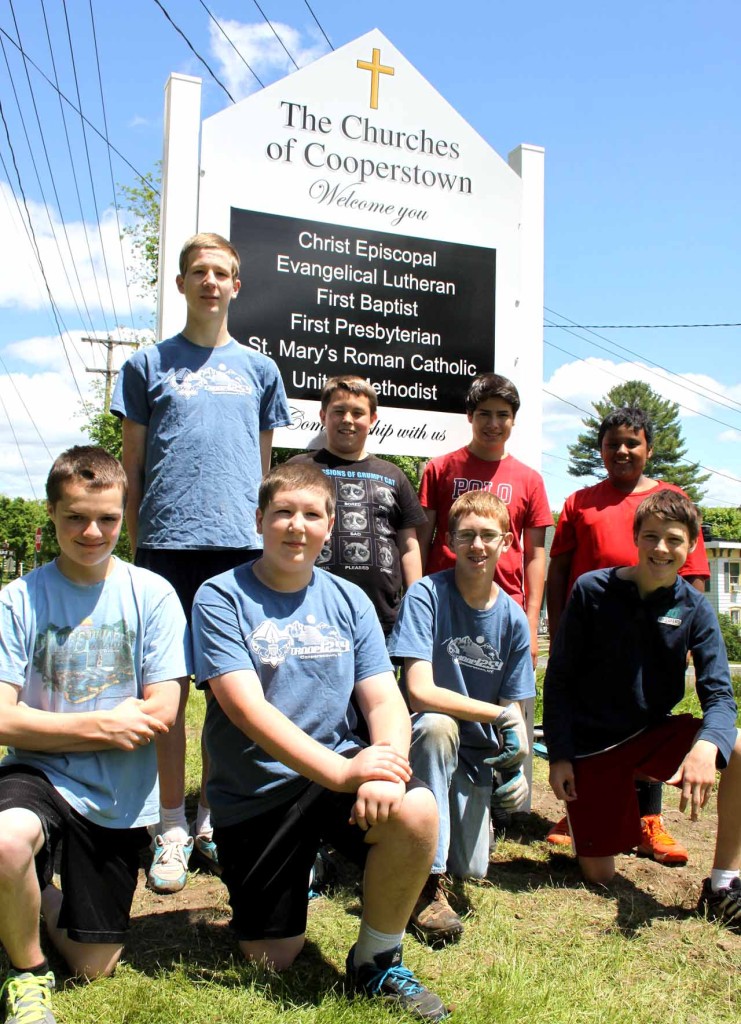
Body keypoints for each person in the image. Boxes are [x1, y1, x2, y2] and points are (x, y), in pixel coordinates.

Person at [191, 463, 448, 1021]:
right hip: (256, 792)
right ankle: (299, 872)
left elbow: (384, 700)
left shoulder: (350, 600)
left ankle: (377, 958)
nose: (296, 526)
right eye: (283, 512)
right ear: (259, 519)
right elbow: (246, 709)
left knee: (418, 809)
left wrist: (386, 767)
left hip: (339, 772)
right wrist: (343, 773)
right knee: (271, 959)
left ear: (329, 525)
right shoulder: (219, 597)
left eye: (311, 514)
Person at [111, 231, 291, 893]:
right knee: (165, 694)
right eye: (199, 272)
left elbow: (266, 470)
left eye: (222, 272)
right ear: (182, 284)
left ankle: (215, 820)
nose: (211, 281)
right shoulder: (145, 366)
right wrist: (133, 548)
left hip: (239, 552)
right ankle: (169, 826)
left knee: (233, 694)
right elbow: (130, 467)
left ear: (235, 286)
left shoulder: (260, 371)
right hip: (164, 548)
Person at [0, 447, 189, 1024]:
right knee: (6, 840)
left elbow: (161, 710)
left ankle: (26, 895)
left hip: (118, 802)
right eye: (75, 517)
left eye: (107, 519)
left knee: (93, 962)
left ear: (123, 517)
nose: (91, 531)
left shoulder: (153, 595)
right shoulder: (17, 599)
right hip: (34, 775)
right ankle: (26, 973)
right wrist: (100, 725)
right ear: (51, 516)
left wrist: (49, 726)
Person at [543, 489, 741, 930]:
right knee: (599, 875)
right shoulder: (592, 590)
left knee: (740, 745)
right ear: (635, 537)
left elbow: (721, 696)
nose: (661, 549)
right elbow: (558, 680)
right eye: (651, 536)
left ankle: (724, 883)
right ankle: (596, 817)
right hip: (593, 748)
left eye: (673, 539)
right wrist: (560, 755)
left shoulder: (695, 609)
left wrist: (708, 746)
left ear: (690, 547)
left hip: (650, 737)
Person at [545, 407, 710, 862]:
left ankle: (649, 820)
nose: (622, 450)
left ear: (648, 450)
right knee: (594, 716)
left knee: (650, 710)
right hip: (594, 632)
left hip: (659, 632)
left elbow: (693, 576)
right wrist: (558, 629)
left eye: (632, 443)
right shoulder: (581, 502)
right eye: (612, 443)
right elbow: (559, 570)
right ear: (600, 450)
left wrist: (683, 635)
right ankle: (579, 809)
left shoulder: (671, 498)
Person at [388, 491, 533, 945]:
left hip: (476, 757)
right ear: (449, 540)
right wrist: (499, 715)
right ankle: (425, 887)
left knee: (471, 866)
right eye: (466, 535)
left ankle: (445, 843)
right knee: (437, 724)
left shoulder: (513, 619)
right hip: (421, 744)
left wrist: (519, 765)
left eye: (488, 536)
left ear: (507, 542)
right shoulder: (427, 596)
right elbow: (419, 692)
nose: (478, 545)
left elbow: (516, 707)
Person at [417, 373, 551, 669]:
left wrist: (530, 620)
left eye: (502, 415)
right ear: (469, 416)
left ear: (514, 420)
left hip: (504, 606)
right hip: (444, 603)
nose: (493, 424)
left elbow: (535, 555)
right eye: (484, 414)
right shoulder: (439, 469)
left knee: (502, 699)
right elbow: (420, 541)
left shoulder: (530, 480)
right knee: (437, 698)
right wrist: (417, 601)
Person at [287, 375, 426, 639]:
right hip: (309, 612)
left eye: (358, 413)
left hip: (382, 618)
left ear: (372, 419)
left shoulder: (393, 475)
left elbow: (409, 546)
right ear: (323, 415)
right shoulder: (297, 469)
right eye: (338, 411)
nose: (348, 419)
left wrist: (416, 603)